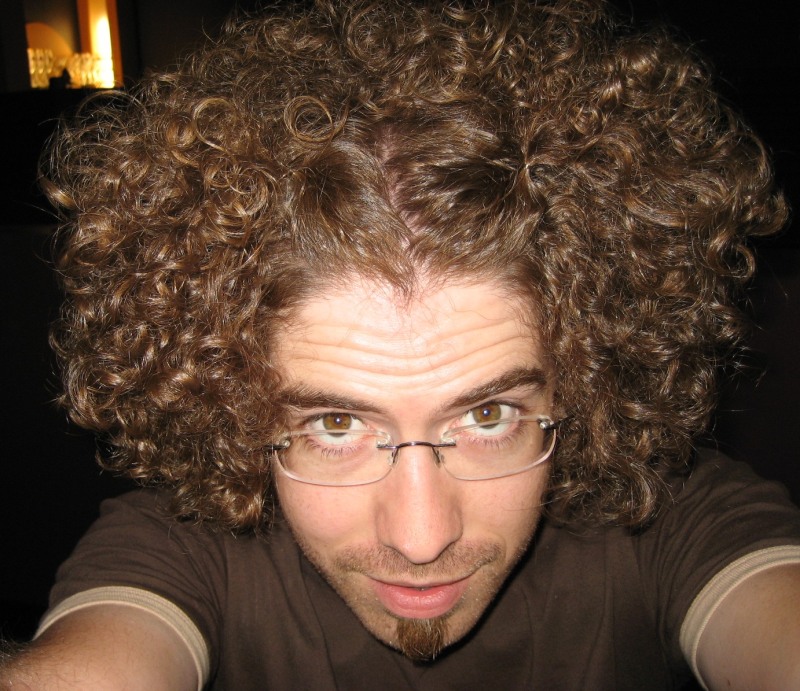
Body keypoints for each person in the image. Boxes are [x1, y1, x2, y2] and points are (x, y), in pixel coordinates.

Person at [2, 0, 799, 688]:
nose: (422, 538)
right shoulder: (179, 545)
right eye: (335, 425)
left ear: (587, 379)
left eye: (488, 415)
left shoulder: (671, 515)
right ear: (231, 398)